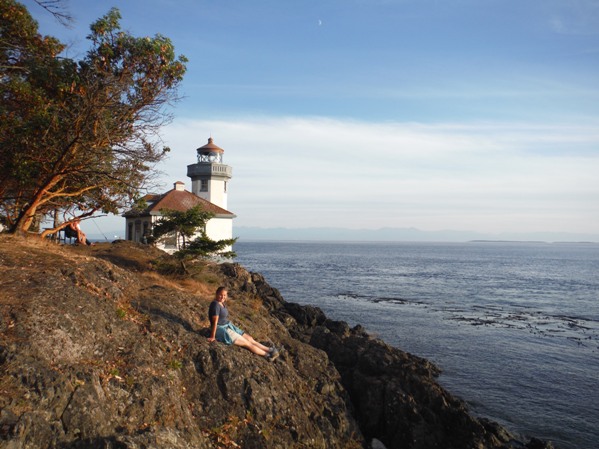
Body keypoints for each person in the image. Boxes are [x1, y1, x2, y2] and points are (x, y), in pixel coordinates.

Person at [207, 286, 280, 361]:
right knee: (247, 343)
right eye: (220, 295)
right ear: (216, 294)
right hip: (221, 329)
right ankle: (267, 355)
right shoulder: (215, 305)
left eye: (224, 295)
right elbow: (215, 322)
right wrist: (213, 336)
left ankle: (270, 350)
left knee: (250, 339)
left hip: (228, 325)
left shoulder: (222, 303)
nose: (222, 297)